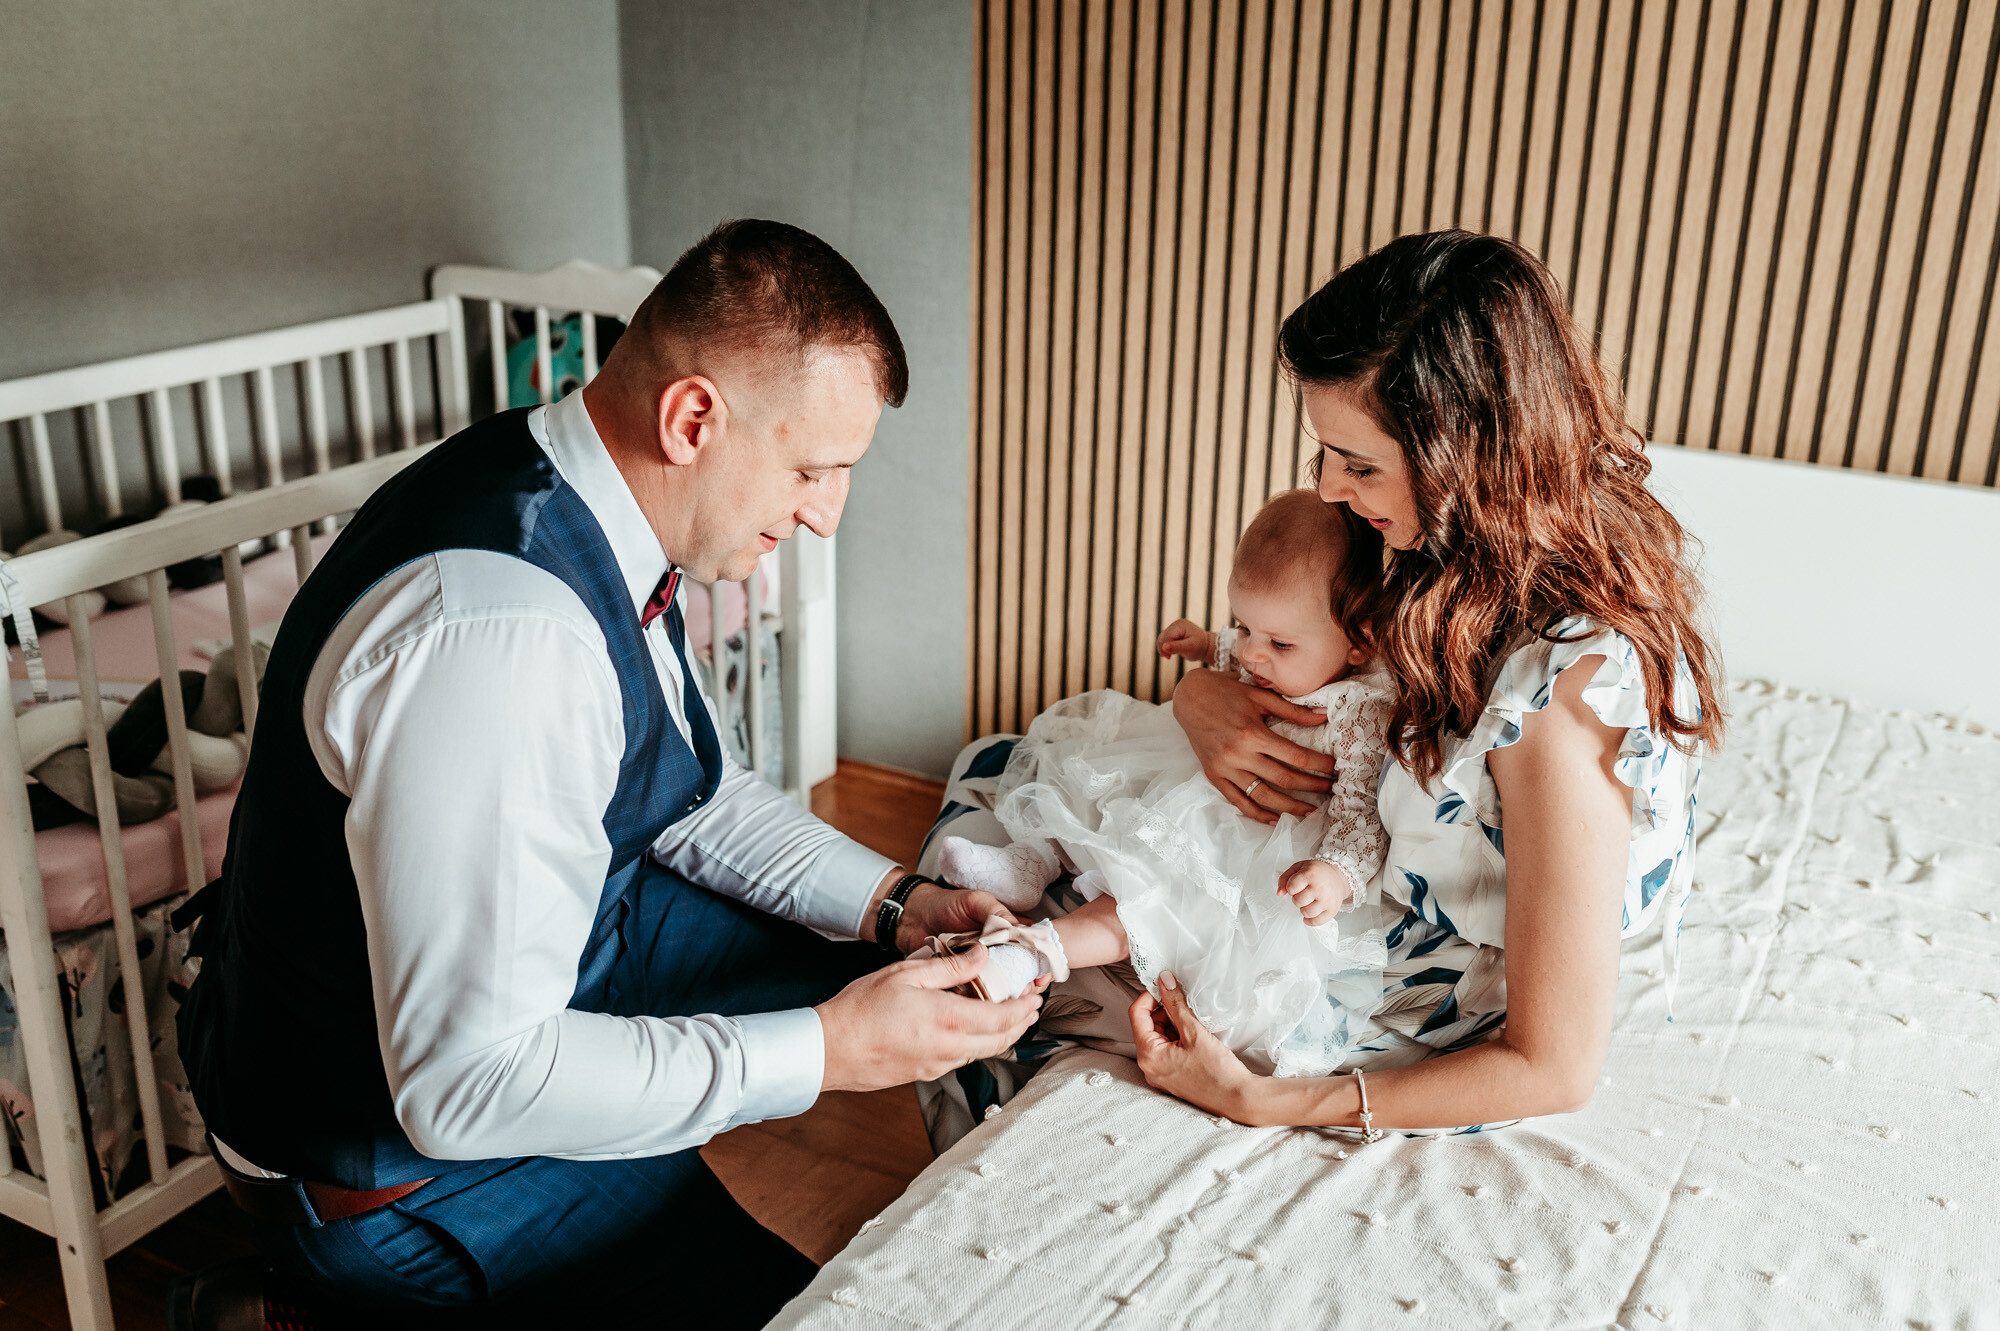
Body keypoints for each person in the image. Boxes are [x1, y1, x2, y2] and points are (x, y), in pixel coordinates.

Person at [174, 220, 1040, 1326]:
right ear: (693, 420)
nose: (825, 514)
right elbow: (466, 1085)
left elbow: (693, 793)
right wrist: (831, 1050)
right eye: (812, 469)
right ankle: (297, 1303)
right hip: (400, 1165)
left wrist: (894, 903)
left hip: (565, 956)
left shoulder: (579, 491)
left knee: (883, 963)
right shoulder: (504, 645)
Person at [1128, 230, 1724, 1135]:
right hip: (1351, 872)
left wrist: (1262, 1100)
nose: (1331, 490)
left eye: (1360, 465)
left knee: (1059, 965)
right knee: (1013, 789)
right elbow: (1317, 652)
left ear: (1468, 458)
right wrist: (1200, 696)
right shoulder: (1443, 546)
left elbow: (1555, 1066)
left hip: (1428, 992)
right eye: (1326, 455)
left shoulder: (1563, 697)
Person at [928, 490, 1398, 1077]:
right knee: (1102, 787)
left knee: (1146, 893)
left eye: (1278, 643)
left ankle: (1033, 952)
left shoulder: (1360, 711)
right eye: (1242, 626)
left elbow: (1361, 815)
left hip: (1257, 835)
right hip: (1197, 775)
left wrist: (1336, 874)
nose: (1253, 654)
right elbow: (1245, 650)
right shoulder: (1276, 651)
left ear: (1359, 641)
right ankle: (1033, 861)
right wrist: (1207, 643)